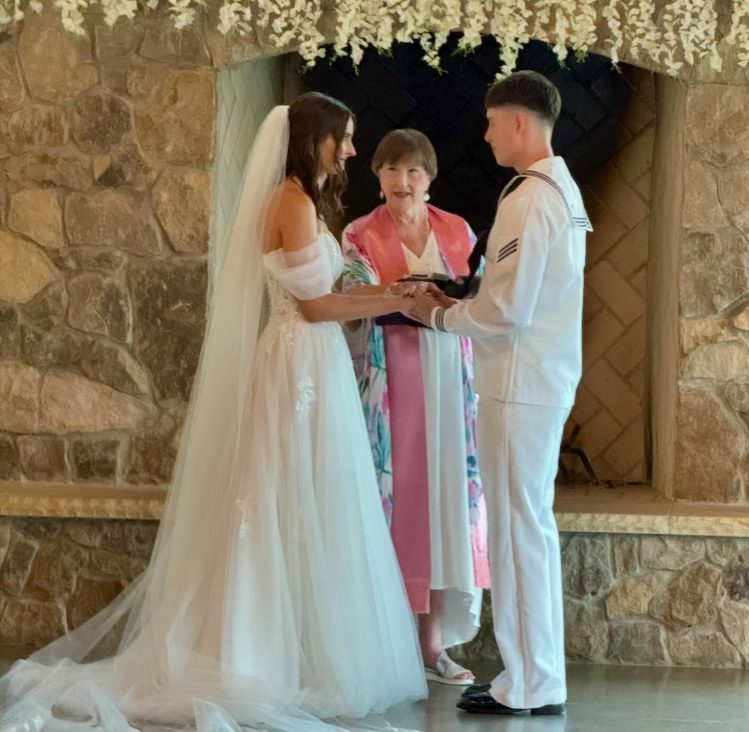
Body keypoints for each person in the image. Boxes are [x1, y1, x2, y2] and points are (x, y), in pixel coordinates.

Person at [0, 92, 427, 731]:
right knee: (282, 495)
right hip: (297, 362)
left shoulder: (303, 200)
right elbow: (313, 307)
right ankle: (258, 653)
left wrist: (389, 292)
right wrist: (394, 301)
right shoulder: (291, 203)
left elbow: (325, 291)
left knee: (311, 495)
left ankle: (301, 648)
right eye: (343, 137)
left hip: (314, 363)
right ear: (313, 138)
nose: (351, 149)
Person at [410, 71, 592, 715]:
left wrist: (437, 316)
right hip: (543, 378)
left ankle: (529, 684)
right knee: (529, 528)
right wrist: (466, 295)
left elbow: (508, 309)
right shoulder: (563, 188)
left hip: (518, 384)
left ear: (519, 122)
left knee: (517, 534)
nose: (485, 136)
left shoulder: (528, 196)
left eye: (491, 124)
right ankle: (537, 676)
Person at [340, 129, 490, 687]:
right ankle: (384, 641)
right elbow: (349, 299)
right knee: (398, 501)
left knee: (445, 501)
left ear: (430, 178)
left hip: (451, 373)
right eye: (391, 170)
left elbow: (481, 293)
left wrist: (457, 294)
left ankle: (433, 645)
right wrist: (396, 297)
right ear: (377, 176)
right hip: (390, 376)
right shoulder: (358, 233)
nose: (403, 182)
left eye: (414, 171)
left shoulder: (458, 229)